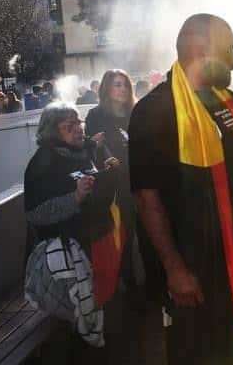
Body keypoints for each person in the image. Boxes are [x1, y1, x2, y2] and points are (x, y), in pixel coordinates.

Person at [129, 13, 233, 365]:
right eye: (228, 49)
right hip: (196, 270)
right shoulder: (156, 109)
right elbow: (146, 197)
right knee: (203, 354)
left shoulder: (223, 98)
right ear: (202, 48)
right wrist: (174, 268)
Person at [23, 102, 122, 364]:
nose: (79, 129)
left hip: (98, 244)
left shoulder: (79, 151)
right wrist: (74, 198)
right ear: (53, 132)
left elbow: (89, 183)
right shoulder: (42, 163)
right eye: (70, 126)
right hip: (73, 258)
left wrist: (106, 172)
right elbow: (36, 214)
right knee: (82, 325)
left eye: (79, 123)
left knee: (100, 314)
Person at [84, 70, 142, 305]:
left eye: (125, 85)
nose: (123, 89)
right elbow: (90, 153)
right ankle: (128, 289)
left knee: (148, 236)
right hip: (117, 187)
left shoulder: (136, 112)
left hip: (142, 182)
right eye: (117, 85)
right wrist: (95, 146)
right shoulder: (96, 116)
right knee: (124, 238)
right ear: (107, 88)